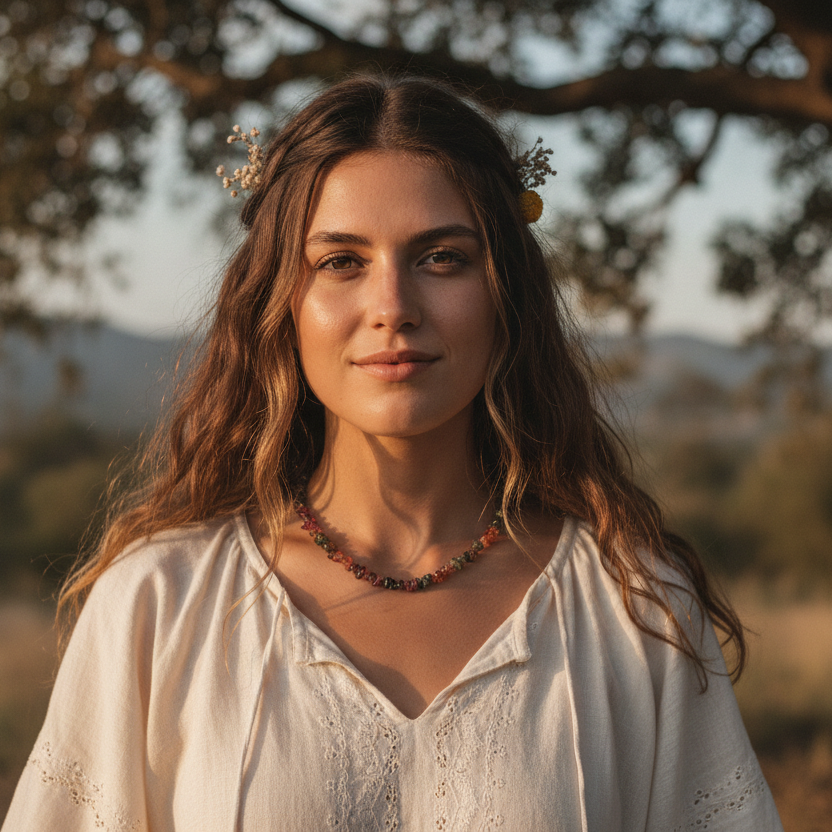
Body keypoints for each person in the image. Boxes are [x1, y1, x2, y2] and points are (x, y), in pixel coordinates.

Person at [2, 74, 783, 831]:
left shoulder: (634, 609)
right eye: (341, 262)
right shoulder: (160, 604)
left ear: (506, 289)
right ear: (282, 301)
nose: (393, 308)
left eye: (441, 257)